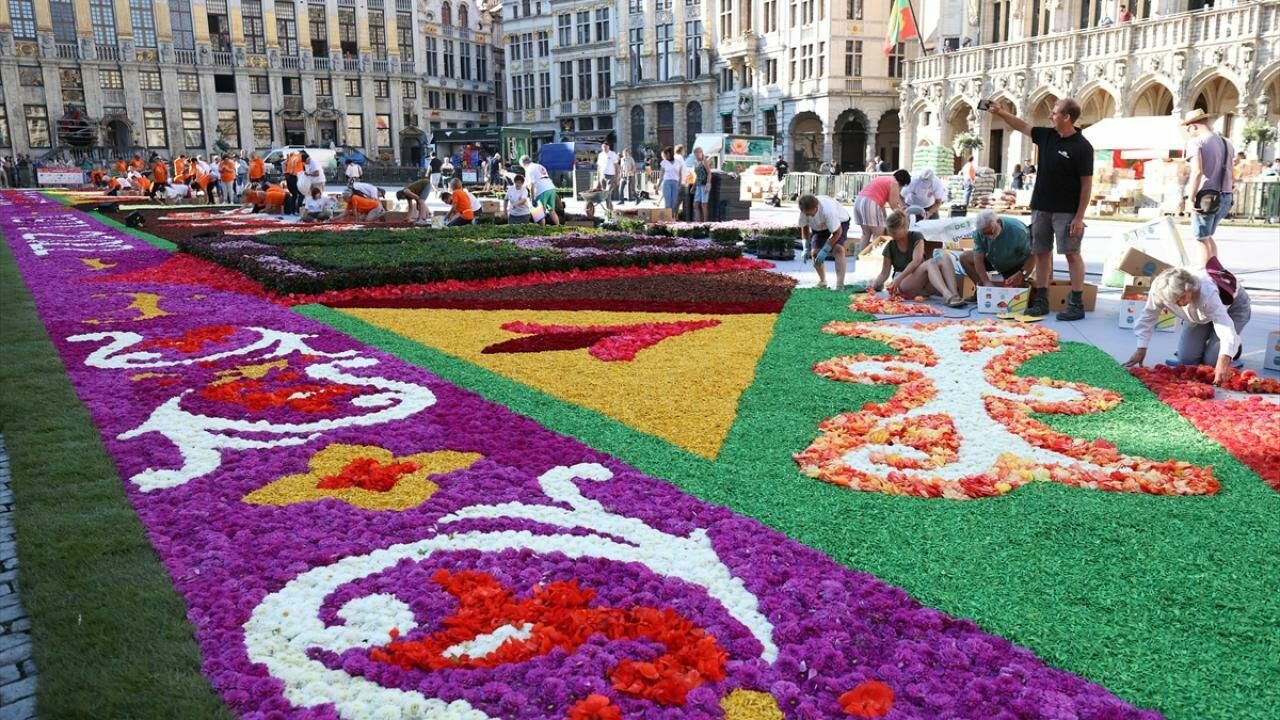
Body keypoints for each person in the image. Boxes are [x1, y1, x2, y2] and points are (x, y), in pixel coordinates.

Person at [986, 97, 1093, 320]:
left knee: (1072, 254)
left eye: (1054, 113)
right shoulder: (1047, 136)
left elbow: (1086, 184)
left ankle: (1076, 302)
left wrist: (1079, 217)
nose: (1050, 116)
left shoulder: (1082, 147)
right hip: (1041, 207)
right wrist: (1001, 113)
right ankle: (1041, 300)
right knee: (1041, 252)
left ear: (1067, 117)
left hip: (1067, 211)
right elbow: (1023, 125)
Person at [1123, 266, 1251, 386]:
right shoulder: (1159, 290)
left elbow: (1225, 326)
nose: (1180, 303)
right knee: (1187, 360)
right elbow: (1148, 317)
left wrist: (1224, 359)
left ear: (1190, 288)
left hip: (1232, 308)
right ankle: (1216, 342)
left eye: (1182, 297)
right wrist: (1141, 348)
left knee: (1213, 362)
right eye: (1175, 302)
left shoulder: (1207, 292)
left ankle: (1235, 346)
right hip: (1197, 314)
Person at [1184, 108, 1235, 267]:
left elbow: (1197, 172)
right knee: (1208, 236)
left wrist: (1190, 199)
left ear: (1194, 126)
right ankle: (1216, 272)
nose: (1189, 131)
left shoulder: (1196, 142)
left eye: (1188, 128)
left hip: (1206, 197)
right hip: (1225, 195)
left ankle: (1206, 275)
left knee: (1201, 238)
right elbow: (1232, 171)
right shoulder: (1227, 143)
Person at [957, 210, 1032, 303]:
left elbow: (1033, 256)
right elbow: (978, 259)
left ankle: (1023, 284)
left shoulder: (1018, 230)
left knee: (1015, 299)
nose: (989, 236)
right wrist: (986, 282)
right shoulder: (979, 233)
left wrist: (1021, 273)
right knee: (965, 257)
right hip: (992, 259)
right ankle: (981, 290)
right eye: (986, 234)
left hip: (1015, 265)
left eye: (991, 231)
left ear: (998, 222)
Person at [871, 210, 935, 300]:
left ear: (905, 227)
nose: (891, 235)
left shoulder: (916, 236)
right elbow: (884, 273)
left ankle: (951, 294)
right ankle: (947, 294)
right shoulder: (890, 246)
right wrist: (872, 287)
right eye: (890, 232)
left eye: (894, 232)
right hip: (901, 281)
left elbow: (917, 261)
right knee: (930, 263)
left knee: (944, 259)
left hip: (918, 276)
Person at [797, 193, 853, 291]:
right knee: (815, 253)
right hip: (819, 227)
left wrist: (826, 250)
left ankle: (840, 285)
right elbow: (804, 227)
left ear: (816, 207)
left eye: (811, 213)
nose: (809, 216)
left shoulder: (828, 211)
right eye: (807, 214)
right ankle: (822, 281)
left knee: (838, 249)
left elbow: (837, 232)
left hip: (840, 222)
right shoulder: (804, 211)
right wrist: (805, 247)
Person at [853, 169, 911, 255]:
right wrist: (903, 218)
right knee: (878, 235)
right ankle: (874, 257)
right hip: (870, 203)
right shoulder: (894, 183)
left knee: (866, 233)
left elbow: (881, 202)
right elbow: (893, 204)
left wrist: (885, 217)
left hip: (859, 201)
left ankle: (861, 257)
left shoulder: (883, 179)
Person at [520, 154, 561, 225]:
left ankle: (542, 230)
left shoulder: (529, 169)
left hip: (542, 190)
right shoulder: (539, 166)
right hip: (551, 188)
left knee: (539, 213)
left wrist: (532, 198)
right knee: (552, 210)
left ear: (523, 164)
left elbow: (531, 185)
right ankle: (558, 227)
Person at [692, 147, 713, 222]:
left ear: (702, 153)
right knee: (695, 204)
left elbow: (709, 173)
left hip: (704, 185)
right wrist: (693, 186)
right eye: (696, 153)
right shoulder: (695, 162)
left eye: (699, 152)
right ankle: (698, 222)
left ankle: (705, 223)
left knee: (704, 205)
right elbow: (697, 176)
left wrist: (708, 184)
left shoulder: (704, 161)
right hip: (698, 185)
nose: (697, 154)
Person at [597, 143, 619, 211]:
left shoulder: (613, 154)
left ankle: (610, 209)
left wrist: (617, 178)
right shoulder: (600, 155)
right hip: (603, 176)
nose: (605, 148)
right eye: (603, 147)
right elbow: (599, 167)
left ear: (609, 147)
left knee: (607, 192)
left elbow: (616, 166)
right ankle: (610, 209)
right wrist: (598, 178)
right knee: (605, 194)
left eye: (606, 147)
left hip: (611, 176)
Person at [660, 147, 682, 211]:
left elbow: (680, 175)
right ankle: (668, 218)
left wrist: (680, 184)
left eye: (665, 154)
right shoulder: (664, 162)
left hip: (675, 182)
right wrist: (658, 186)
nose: (664, 155)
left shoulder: (678, 162)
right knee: (668, 201)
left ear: (669, 153)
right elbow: (661, 175)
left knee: (674, 202)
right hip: (667, 182)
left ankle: (673, 217)